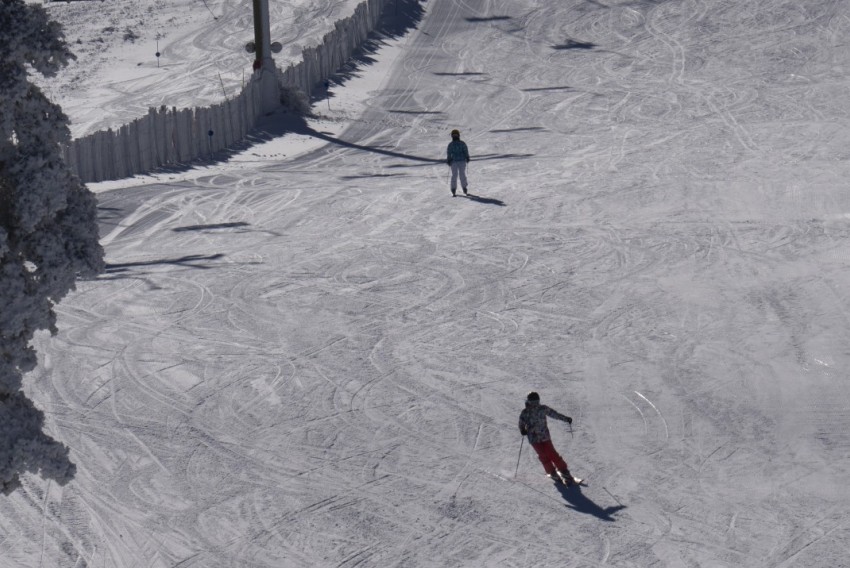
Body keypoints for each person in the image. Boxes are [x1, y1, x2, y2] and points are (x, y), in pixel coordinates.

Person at [518, 391, 577, 485]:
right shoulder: (526, 412)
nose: (535, 403)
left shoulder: (541, 409)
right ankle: (554, 472)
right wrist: (522, 430)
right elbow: (521, 423)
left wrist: (565, 418)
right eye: (533, 401)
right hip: (535, 438)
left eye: (535, 401)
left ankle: (563, 471)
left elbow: (554, 414)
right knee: (545, 455)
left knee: (550, 453)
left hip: (543, 437)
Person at [446, 129, 470, 197]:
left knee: (462, 174)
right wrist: (449, 159)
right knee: (454, 175)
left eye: (456, 135)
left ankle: (464, 187)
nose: (455, 136)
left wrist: (467, 157)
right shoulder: (451, 145)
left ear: (458, 135)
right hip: (454, 162)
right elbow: (449, 152)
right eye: (454, 135)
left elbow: (465, 150)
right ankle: (453, 188)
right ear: (452, 136)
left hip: (462, 161)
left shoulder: (462, 143)